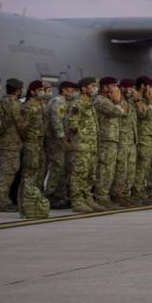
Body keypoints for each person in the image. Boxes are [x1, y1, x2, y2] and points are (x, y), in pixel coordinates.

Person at [66, 77, 103, 213]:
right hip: (81, 146)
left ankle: (88, 198)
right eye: (92, 86)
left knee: (90, 175)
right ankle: (77, 201)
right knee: (78, 174)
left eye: (95, 85)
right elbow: (72, 125)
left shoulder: (89, 102)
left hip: (91, 146)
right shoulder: (78, 103)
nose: (95, 88)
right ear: (83, 88)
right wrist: (79, 138)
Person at [0, 78, 25, 212]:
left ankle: (0, 199)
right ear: (17, 90)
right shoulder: (15, 104)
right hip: (10, 145)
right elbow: (21, 125)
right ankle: (2, 203)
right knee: (7, 174)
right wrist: (24, 138)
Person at [93, 77, 124, 209]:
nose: (116, 89)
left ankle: (105, 196)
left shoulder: (108, 100)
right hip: (105, 140)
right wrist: (117, 101)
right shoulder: (101, 101)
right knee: (105, 169)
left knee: (110, 169)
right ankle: (101, 197)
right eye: (113, 86)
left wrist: (117, 101)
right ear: (105, 87)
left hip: (112, 139)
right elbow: (117, 112)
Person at [45, 81, 77, 209]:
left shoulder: (65, 102)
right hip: (56, 141)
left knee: (63, 168)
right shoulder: (58, 101)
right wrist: (63, 140)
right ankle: (50, 196)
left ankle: (60, 196)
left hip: (62, 140)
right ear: (64, 90)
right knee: (57, 167)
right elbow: (56, 122)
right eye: (70, 90)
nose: (72, 93)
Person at [112, 79, 139, 206]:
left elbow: (143, 112)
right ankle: (118, 194)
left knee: (130, 169)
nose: (131, 91)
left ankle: (126, 194)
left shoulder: (131, 102)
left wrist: (137, 99)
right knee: (121, 169)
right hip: (122, 140)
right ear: (122, 88)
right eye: (129, 88)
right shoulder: (117, 102)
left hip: (132, 140)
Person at [133, 76, 152, 202]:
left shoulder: (146, 100)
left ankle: (141, 192)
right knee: (141, 166)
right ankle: (137, 193)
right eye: (150, 86)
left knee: (146, 166)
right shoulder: (137, 99)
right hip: (141, 137)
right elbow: (143, 114)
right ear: (143, 86)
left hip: (148, 137)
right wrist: (149, 102)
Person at [20, 80, 47, 188]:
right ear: (32, 92)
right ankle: (25, 198)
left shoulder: (41, 104)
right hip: (31, 143)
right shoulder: (28, 106)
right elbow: (23, 127)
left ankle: (36, 196)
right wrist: (27, 140)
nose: (42, 92)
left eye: (42, 90)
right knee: (30, 171)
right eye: (39, 90)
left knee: (40, 171)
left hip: (40, 143)